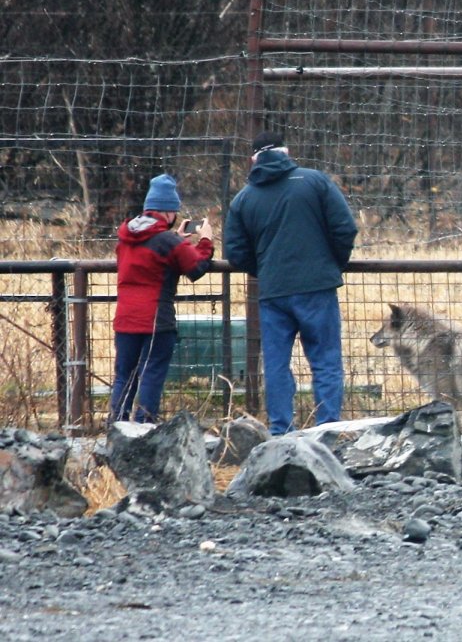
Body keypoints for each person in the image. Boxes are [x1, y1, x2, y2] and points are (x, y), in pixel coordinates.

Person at [224, 132, 357, 434]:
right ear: (287, 152)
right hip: (316, 288)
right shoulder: (315, 182)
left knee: (276, 365)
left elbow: (235, 253)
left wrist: (266, 269)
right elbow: (345, 229)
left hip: (273, 293)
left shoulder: (243, 199)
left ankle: (281, 432)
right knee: (325, 361)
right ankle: (327, 431)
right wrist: (331, 263)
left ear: (252, 160)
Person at [110, 174, 214, 426]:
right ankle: (145, 426)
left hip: (125, 319)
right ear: (169, 213)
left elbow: (153, 257)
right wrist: (206, 240)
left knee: (125, 375)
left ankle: (117, 425)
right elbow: (196, 268)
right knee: (151, 373)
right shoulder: (167, 241)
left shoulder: (125, 237)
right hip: (156, 320)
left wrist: (178, 241)